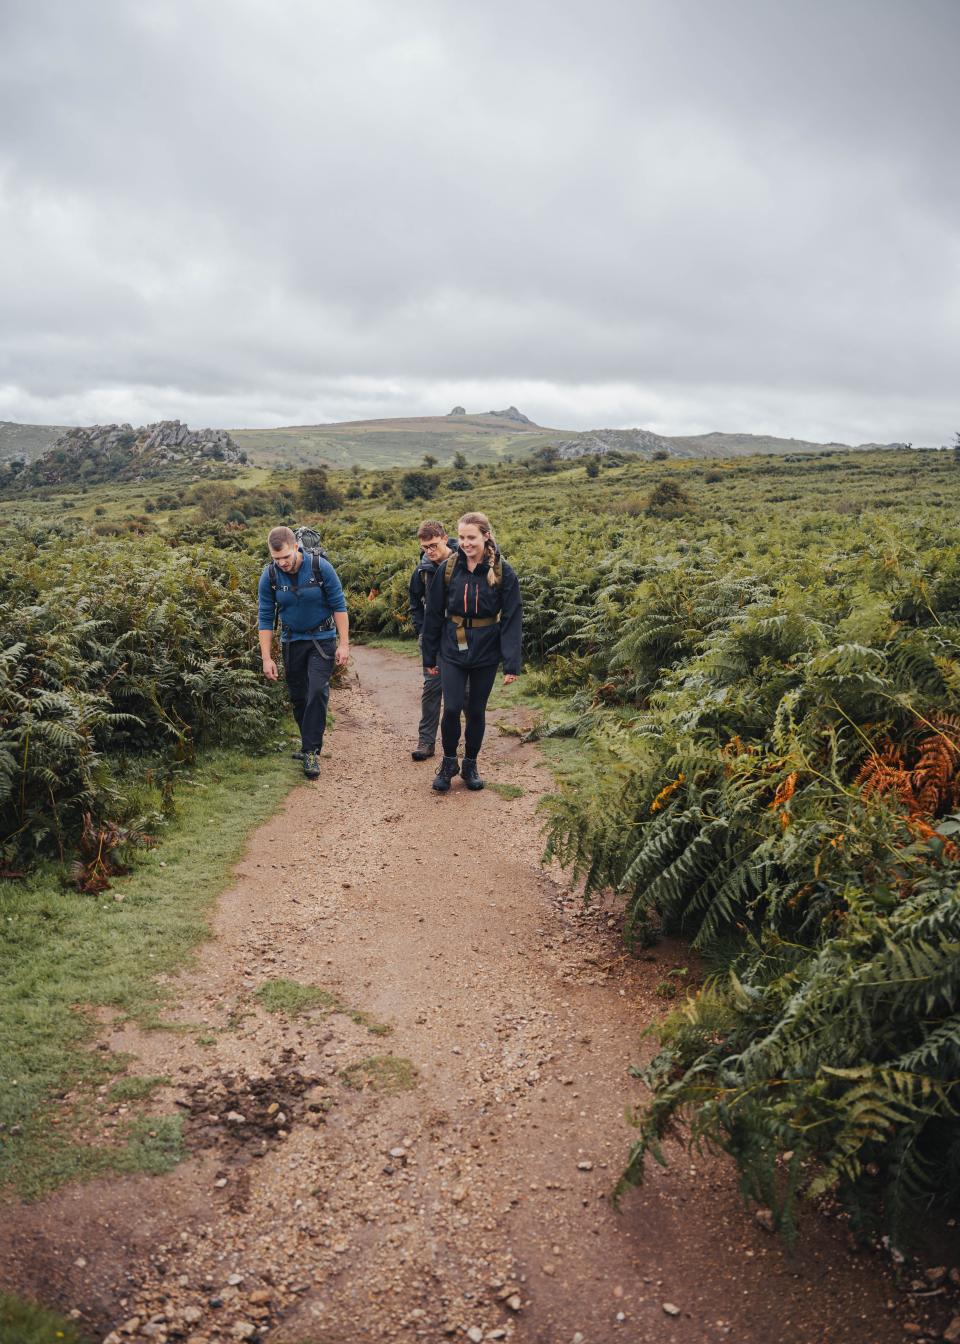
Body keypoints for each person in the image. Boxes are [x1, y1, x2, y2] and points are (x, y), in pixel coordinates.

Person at [421, 511, 521, 793]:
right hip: (452, 647)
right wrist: (429, 656)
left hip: (486, 650)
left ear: (486, 536)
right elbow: (433, 615)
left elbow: (512, 617)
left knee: (476, 711)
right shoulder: (449, 568)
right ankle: (449, 762)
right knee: (451, 708)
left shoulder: (503, 571)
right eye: (462, 537)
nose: (465, 543)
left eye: (471, 537)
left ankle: (470, 765)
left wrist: (511, 663)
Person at [258, 526, 349, 780]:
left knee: (317, 690)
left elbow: (339, 606)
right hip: (291, 640)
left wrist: (344, 644)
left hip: (322, 639)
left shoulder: (321, 568)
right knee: (298, 696)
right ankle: (308, 742)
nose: (282, 563)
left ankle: (310, 751)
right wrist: (267, 658)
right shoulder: (270, 576)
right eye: (276, 559)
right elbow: (265, 618)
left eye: (286, 557)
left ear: (296, 547)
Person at [407, 520, 458, 761]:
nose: (429, 551)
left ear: (445, 539)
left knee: (464, 692)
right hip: (433, 638)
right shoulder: (422, 570)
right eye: (425, 547)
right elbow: (414, 602)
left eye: (433, 545)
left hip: (461, 636)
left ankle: (462, 744)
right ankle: (425, 742)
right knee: (432, 688)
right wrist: (422, 629)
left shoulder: (464, 562)